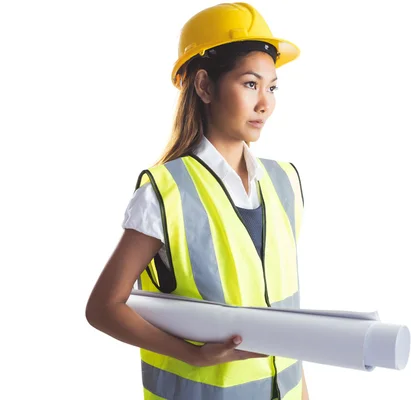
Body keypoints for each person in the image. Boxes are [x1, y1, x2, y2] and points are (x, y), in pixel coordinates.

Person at [85, 3, 308, 399]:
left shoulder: (284, 182)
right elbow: (104, 307)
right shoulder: (166, 191)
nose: (265, 103)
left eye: (272, 87)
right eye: (250, 84)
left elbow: (284, 321)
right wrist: (191, 355)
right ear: (204, 86)